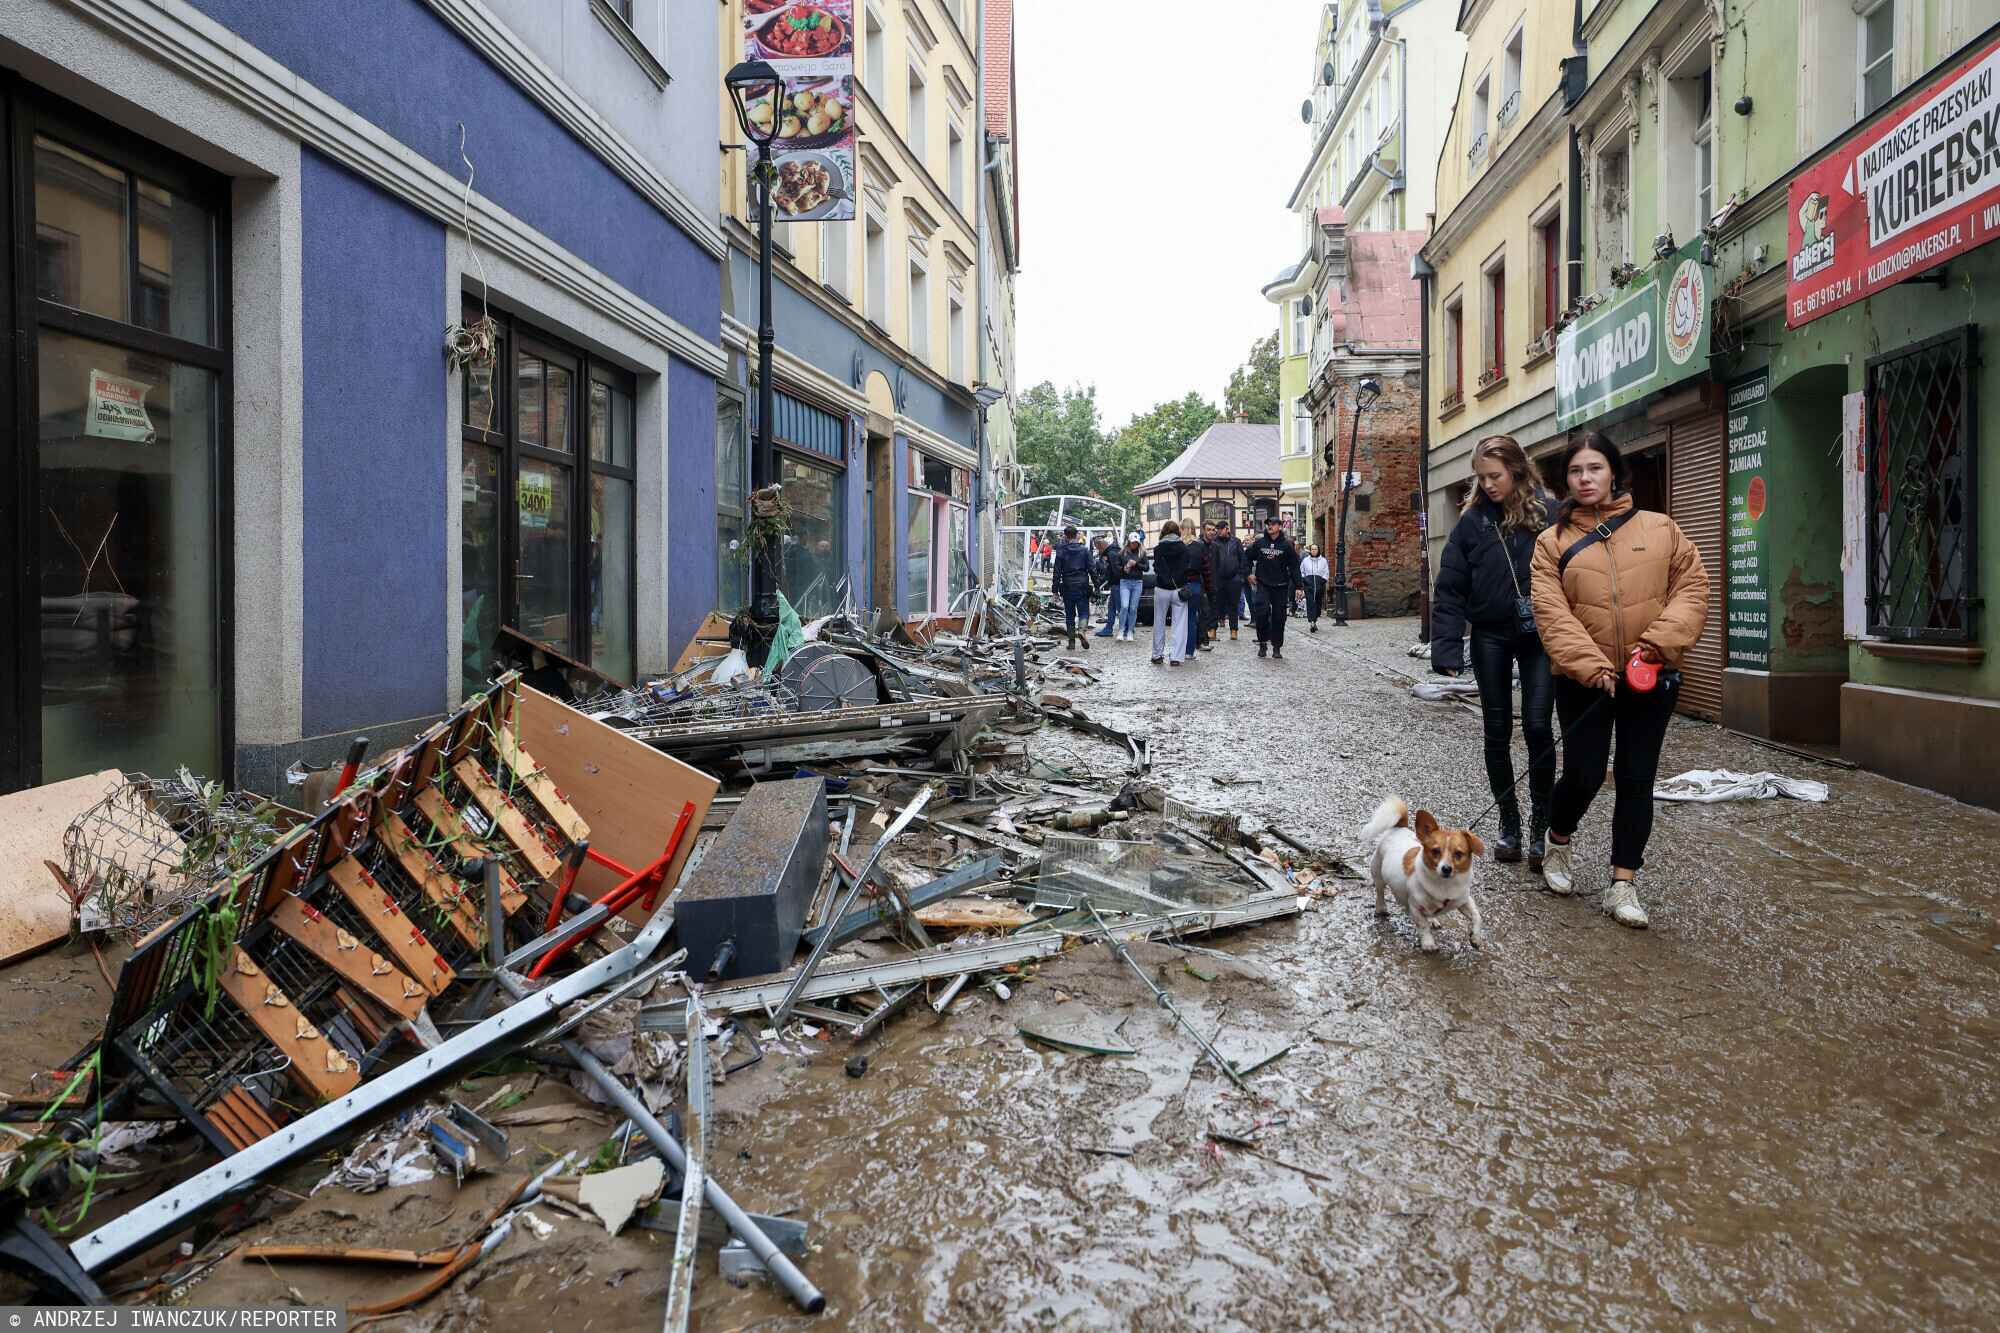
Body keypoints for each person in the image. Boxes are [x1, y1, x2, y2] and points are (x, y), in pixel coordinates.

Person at [1530, 431, 1709, 929]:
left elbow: (1691, 589)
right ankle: (1558, 843)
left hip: (1651, 677)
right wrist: (1594, 667)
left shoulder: (1661, 528)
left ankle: (1623, 884)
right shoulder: (1552, 542)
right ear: (1564, 479)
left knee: (1636, 778)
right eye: (1575, 471)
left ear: (1614, 472)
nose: (1585, 479)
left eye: (1594, 468)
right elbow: (1551, 611)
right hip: (1585, 681)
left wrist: (1655, 645)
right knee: (1584, 774)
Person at [1431, 436, 1558, 866]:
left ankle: (1542, 825)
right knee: (1497, 730)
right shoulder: (1471, 523)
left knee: (1539, 727)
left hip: (1541, 634)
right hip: (1490, 636)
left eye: (1495, 476)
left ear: (1517, 471)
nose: (1487, 485)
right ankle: (1509, 823)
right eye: (1481, 477)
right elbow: (1449, 587)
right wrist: (1447, 647)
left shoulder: (1548, 515)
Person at [1245, 515, 1301, 659]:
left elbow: (1294, 566)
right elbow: (1246, 557)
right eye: (1268, 524)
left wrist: (1299, 586)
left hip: (1281, 586)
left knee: (1279, 617)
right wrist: (1248, 573)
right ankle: (1263, 642)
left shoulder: (1286, 545)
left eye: (1273, 524)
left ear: (1280, 527)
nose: (1270, 526)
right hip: (1263, 584)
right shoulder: (1260, 543)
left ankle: (1276, 646)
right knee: (1261, 613)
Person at [1149, 521, 1195, 666]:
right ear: (1178, 532)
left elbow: (1156, 568)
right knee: (1180, 624)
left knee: (1159, 621)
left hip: (1162, 588)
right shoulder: (1184, 548)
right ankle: (1176, 657)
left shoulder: (1158, 549)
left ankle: (1157, 655)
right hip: (1179, 589)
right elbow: (1188, 567)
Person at [1051, 525, 1096, 651]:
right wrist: (1097, 586)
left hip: (1067, 586)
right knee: (1084, 612)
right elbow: (1092, 569)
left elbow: (1056, 572)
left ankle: (1071, 642)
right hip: (1082, 585)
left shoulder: (1061, 551)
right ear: (1077, 535)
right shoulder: (1084, 550)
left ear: (1065, 536)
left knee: (1070, 615)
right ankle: (1081, 630)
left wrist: (1054, 590)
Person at [1182, 522, 1217, 656]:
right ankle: (1189, 651)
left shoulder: (1179, 545)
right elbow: (1206, 570)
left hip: (1180, 585)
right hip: (1196, 584)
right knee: (1192, 618)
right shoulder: (1199, 546)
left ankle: (1179, 650)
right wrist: (1209, 588)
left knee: (1181, 620)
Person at [1210, 522, 1247, 642]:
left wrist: (1240, 576)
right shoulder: (1214, 542)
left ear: (1227, 529)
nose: (1219, 531)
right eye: (1218, 529)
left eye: (1221, 529)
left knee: (1233, 606)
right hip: (1218, 579)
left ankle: (1234, 630)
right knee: (1216, 605)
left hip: (1234, 579)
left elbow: (1242, 559)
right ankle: (1213, 630)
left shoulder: (1236, 541)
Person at [1113, 531, 1146, 641]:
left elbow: (1146, 567)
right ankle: (1122, 629)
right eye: (1133, 542)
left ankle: (1130, 631)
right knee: (1125, 606)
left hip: (1137, 582)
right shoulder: (1122, 553)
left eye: (1136, 542)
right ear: (1129, 542)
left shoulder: (1142, 553)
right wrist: (1125, 567)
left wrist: (1136, 564)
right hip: (1125, 582)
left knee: (1133, 608)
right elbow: (1117, 567)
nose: (1134, 544)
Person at [1091, 536, 1120, 638]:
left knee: (1120, 609)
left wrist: (1105, 580)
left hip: (1117, 584)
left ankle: (1126, 629)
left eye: (1097, 548)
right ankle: (1109, 628)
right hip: (1115, 584)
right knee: (1111, 607)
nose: (1098, 551)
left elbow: (1114, 571)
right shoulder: (1112, 552)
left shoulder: (1111, 554)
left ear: (1101, 546)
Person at [1299, 544, 1330, 631]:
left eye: (1315, 549)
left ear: (1318, 550)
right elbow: (1301, 571)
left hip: (1319, 584)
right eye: (1312, 549)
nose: (1314, 551)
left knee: (1317, 603)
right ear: (1310, 551)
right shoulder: (1305, 560)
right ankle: (1311, 622)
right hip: (1309, 585)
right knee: (1310, 602)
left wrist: (1322, 581)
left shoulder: (1323, 561)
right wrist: (1305, 579)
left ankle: (1315, 620)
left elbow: (1326, 572)